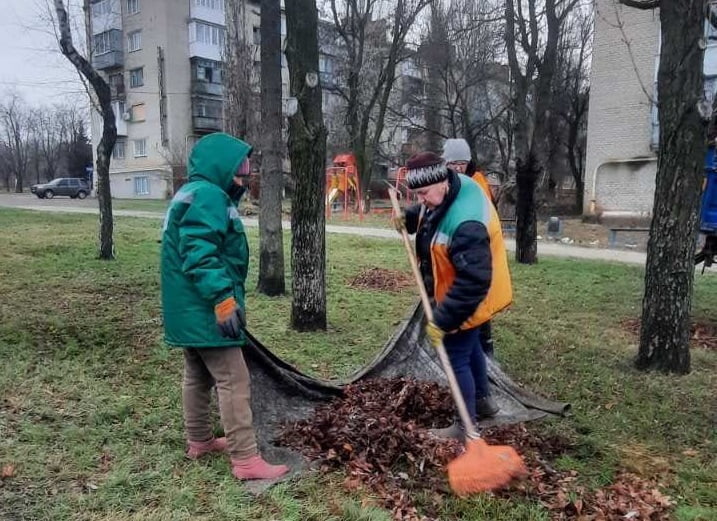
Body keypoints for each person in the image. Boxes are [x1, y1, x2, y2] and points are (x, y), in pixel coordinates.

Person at [160, 132, 289, 481]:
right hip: (205, 308)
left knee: (197, 374)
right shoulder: (208, 197)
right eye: (239, 168)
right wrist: (223, 301)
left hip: (186, 312)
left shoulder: (190, 193)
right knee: (234, 378)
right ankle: (246, 460)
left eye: (246, 169)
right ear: (219, 166)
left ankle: (199, 440)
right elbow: (200, 255)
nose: (244, 176)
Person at [393, 151, 512, 438]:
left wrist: (442, 321)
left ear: (442, 182)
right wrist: (409, 219)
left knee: (456, 353)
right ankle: (483, 402)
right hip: (462, 287)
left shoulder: (466, 223)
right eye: (416, 194)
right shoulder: (448, 186)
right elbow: (429, 213)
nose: (421, 200)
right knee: (471, 347)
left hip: (472, 293)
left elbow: (472, 282)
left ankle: (466, 426)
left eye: (423, 193)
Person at [442, 138, 501, 358]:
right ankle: (470, 346)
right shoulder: (447, 182)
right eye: (453, 163)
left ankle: (486, 348)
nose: (458, 167)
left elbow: (485, 216)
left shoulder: (477, 183)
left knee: (478, 299)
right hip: (456, 249)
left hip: (477, 248)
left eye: (462, 162)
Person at [442, 138, 492, 202]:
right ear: (446, 164)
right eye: (453, 163)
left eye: (463, 163)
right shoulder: (441, 181)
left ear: (468, 163)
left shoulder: (477, 179)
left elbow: (487, 205)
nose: (458, 168)